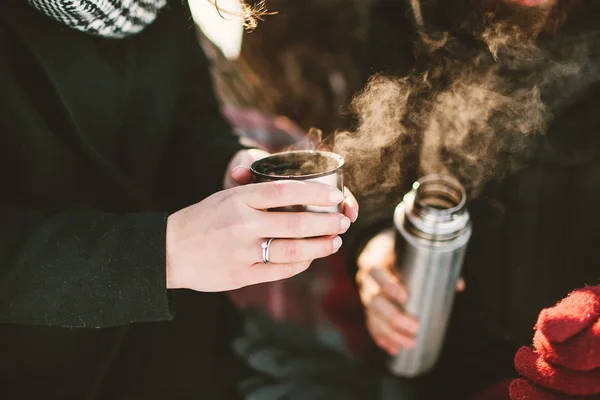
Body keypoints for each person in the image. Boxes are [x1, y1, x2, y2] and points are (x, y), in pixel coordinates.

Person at [0, 0, 359, 399]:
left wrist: (232, 165)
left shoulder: (153, 6)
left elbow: (186, 117)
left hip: (178, 341)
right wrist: (161, 254)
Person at [350, 0, 600, 398]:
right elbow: (372, 149)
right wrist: (374, 240)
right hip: (442, 361)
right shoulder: (409, 11)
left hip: (574, 370)